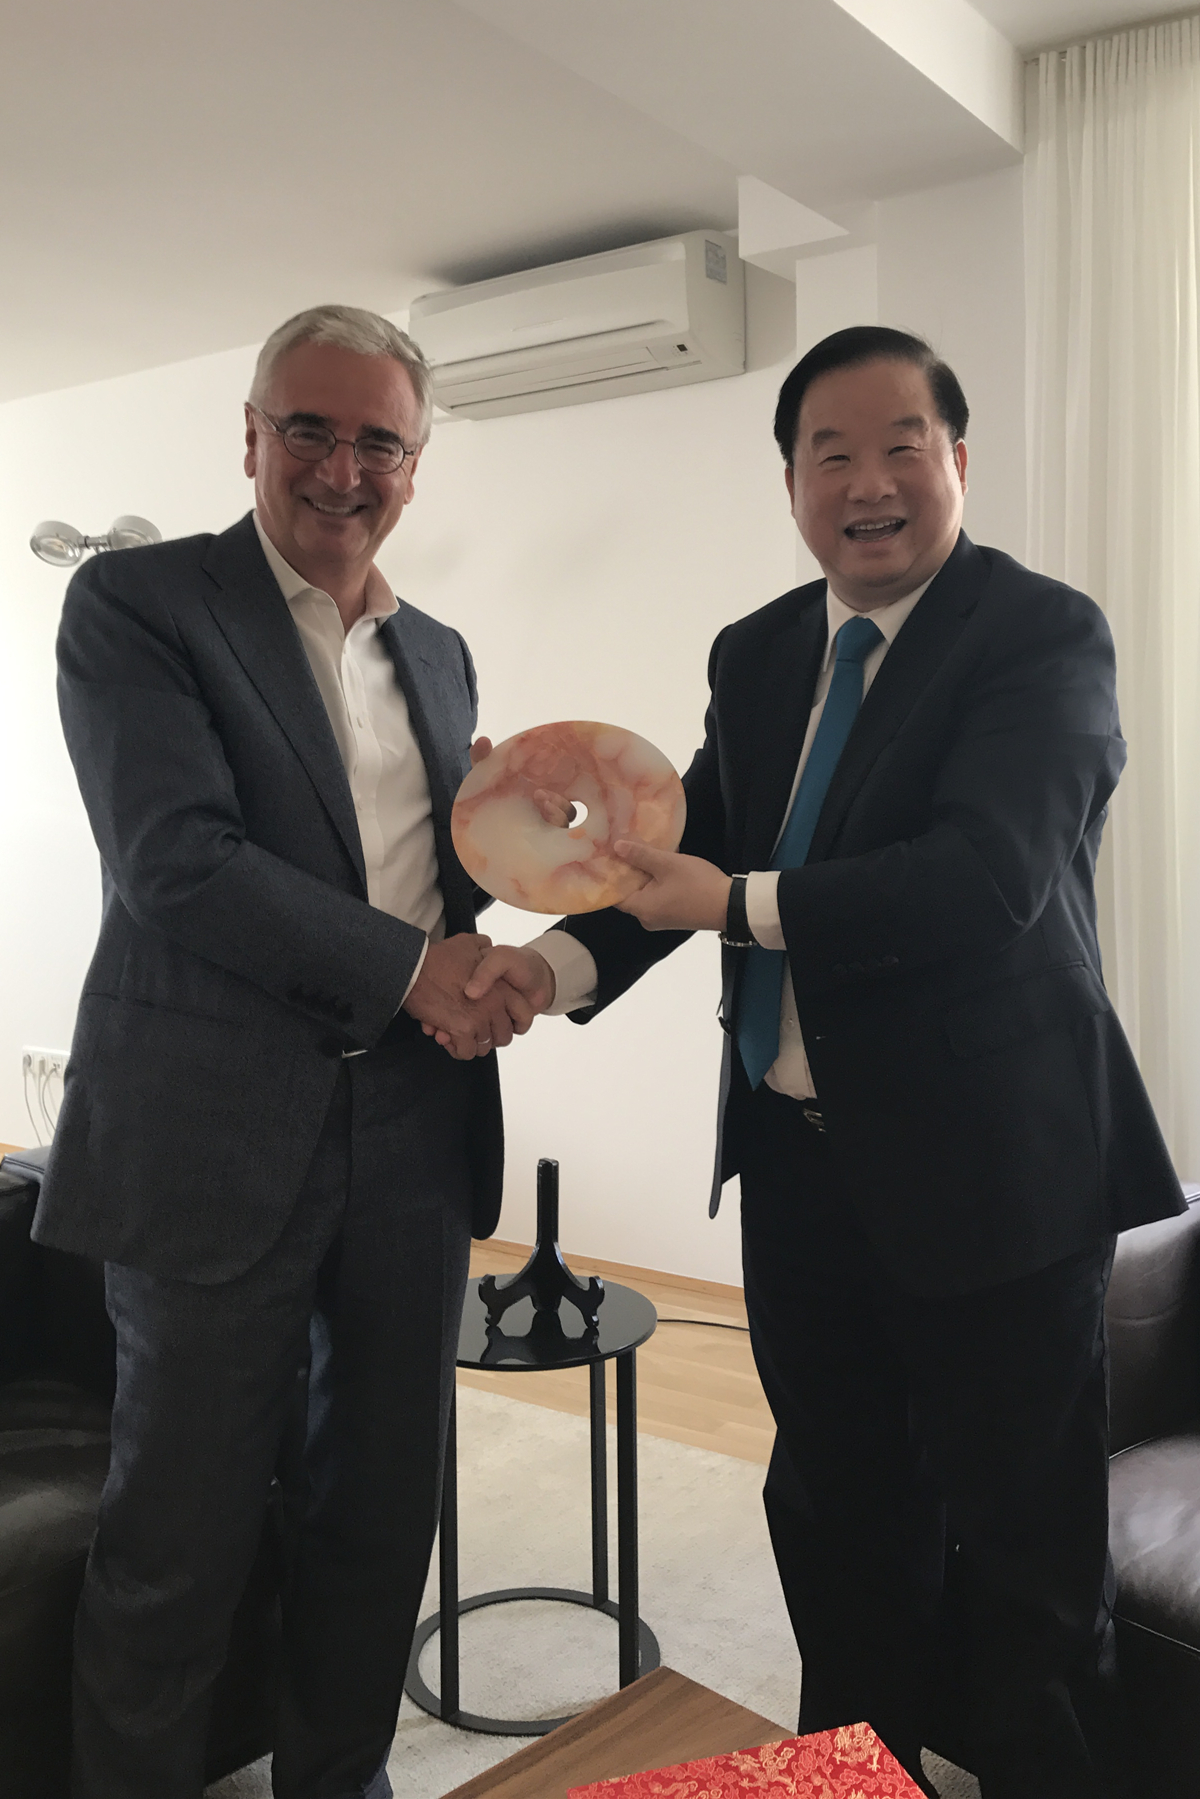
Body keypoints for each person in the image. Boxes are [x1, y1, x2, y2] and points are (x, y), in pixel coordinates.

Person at [467, 327, 1184, 1797]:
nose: (868, 483)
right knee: (838, 1530)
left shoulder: (1042, 635)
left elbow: (987, 878)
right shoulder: (760, 649)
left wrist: (732, 905)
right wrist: (549, 966)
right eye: (829, 453)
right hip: (798, 1172)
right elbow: (685, 851)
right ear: (790, 480)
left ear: (957, 462)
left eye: (901, 447)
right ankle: (855, 1776)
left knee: (1030, 1562)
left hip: (998, 1180)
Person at [35, 304, 531, 1799]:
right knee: (175, 1538)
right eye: (308, 429)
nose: (341, 468)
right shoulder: (139, 604)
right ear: (250, 436)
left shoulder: (438, 653)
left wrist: (541, 871)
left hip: (413, 1133)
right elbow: (178, 861)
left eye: (380, 441)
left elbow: (425, 874)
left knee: (376, 1517)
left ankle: (339, 1780)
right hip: (206, 1132)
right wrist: (417, 971)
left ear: (416, 465)